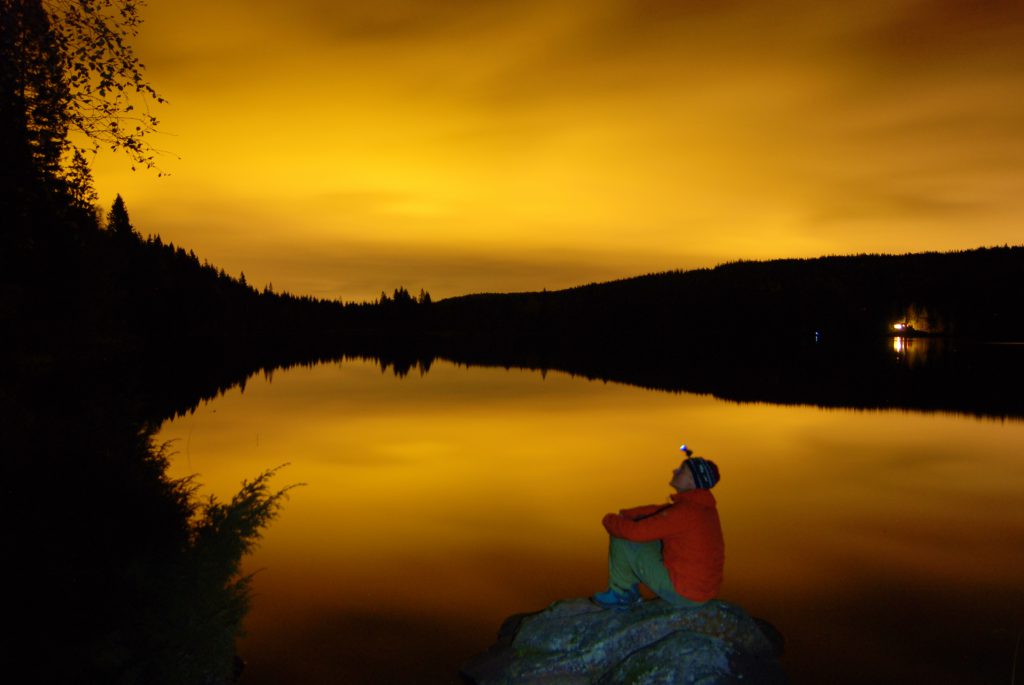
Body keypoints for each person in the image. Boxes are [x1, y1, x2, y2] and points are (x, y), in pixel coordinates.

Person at [592, 448, 724, 609]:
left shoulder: (686, 512)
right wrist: (627, 513)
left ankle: (622, 593)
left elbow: (635, 532)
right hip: (702, 591)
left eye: (682, 470)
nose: (675, 471)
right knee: (640, 529)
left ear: (692, 481)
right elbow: (659, 511)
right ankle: (627, 590)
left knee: (623, 534)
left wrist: (609, 519)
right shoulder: (701, 508)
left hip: (686, 593)